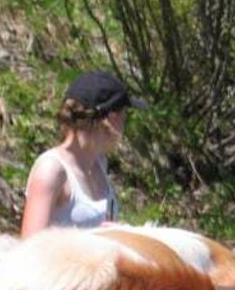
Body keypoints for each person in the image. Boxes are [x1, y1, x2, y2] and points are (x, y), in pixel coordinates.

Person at [21, 70, 145, 237]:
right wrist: (94, 242)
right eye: (124, 117)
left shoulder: (99, 163)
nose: (124, 126)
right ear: (111, 118)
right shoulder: (52, 170)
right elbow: (30, 249)